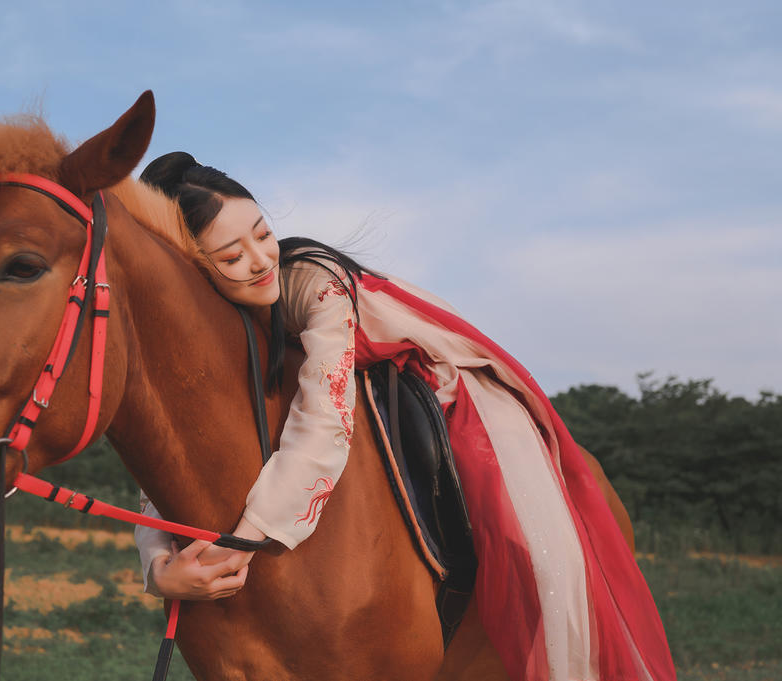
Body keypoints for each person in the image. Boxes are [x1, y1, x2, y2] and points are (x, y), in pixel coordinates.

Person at [133, 152, 675, 681]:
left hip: (443, 380)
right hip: (351, 381)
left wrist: (244, 540)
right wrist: (159, 571)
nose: (261, 259)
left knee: (524, 529)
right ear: (198, 267)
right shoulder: (207, 325)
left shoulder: (316, 283)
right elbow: (173, 450)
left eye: (262, 233)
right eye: (232, 257)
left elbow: (325, 421)